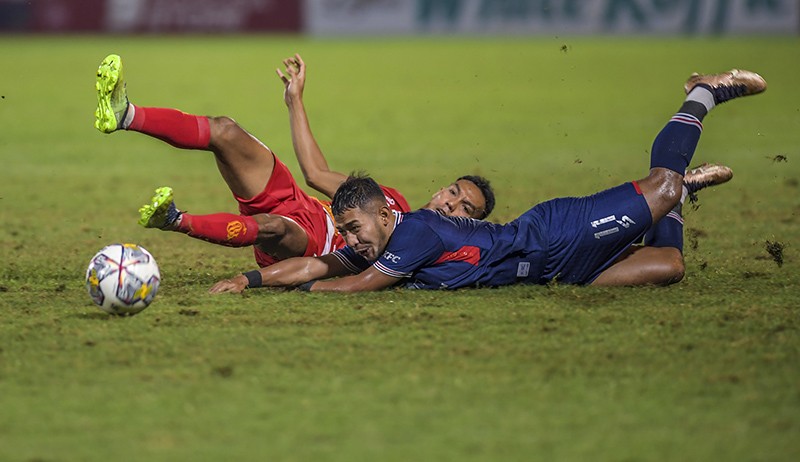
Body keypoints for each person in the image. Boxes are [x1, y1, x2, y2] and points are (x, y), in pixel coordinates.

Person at [208, 69, 764, 293]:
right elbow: (321, 260)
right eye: (453, 194)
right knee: (670, 267)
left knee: (659, 186)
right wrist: (249, 283)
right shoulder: (379, 230)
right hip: (553, 276)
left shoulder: (413, 231)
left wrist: (301, 293)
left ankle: (703, 93)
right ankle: (681, 197)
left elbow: (348, 284)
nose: (348, 239)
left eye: (352, 227)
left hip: (554, 237)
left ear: (380, 215)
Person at [94, 54, 494, 268]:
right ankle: (124, 114)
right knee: (226, 131)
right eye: (455, 192)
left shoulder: (426, 246)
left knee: (270, 227)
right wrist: (295, 101)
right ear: (443, 187)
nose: (451, 203)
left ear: (468, 224)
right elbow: (316, 174)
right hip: (298, 204)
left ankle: (175, 220)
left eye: (465, 209)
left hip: (307, 245)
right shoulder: (391, 200)